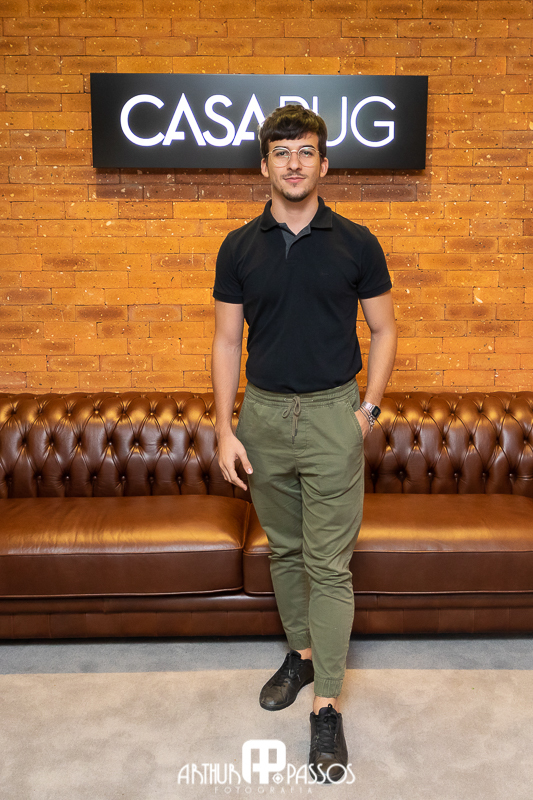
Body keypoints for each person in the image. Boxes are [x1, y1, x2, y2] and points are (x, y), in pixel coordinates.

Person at [211, 104, 397, 783]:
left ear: (324, 164)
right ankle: (303, 654)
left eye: (306, 151)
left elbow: (384, 329)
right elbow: (226, 340)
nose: (294, 163)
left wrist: (365, 412)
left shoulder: (357, 242)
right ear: (263, 164)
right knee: (285, 553)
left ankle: (326, 706)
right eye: (282, 152)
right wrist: (225, 427)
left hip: (330, 417)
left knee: (328, 565)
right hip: (262, 417)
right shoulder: (238, 247)